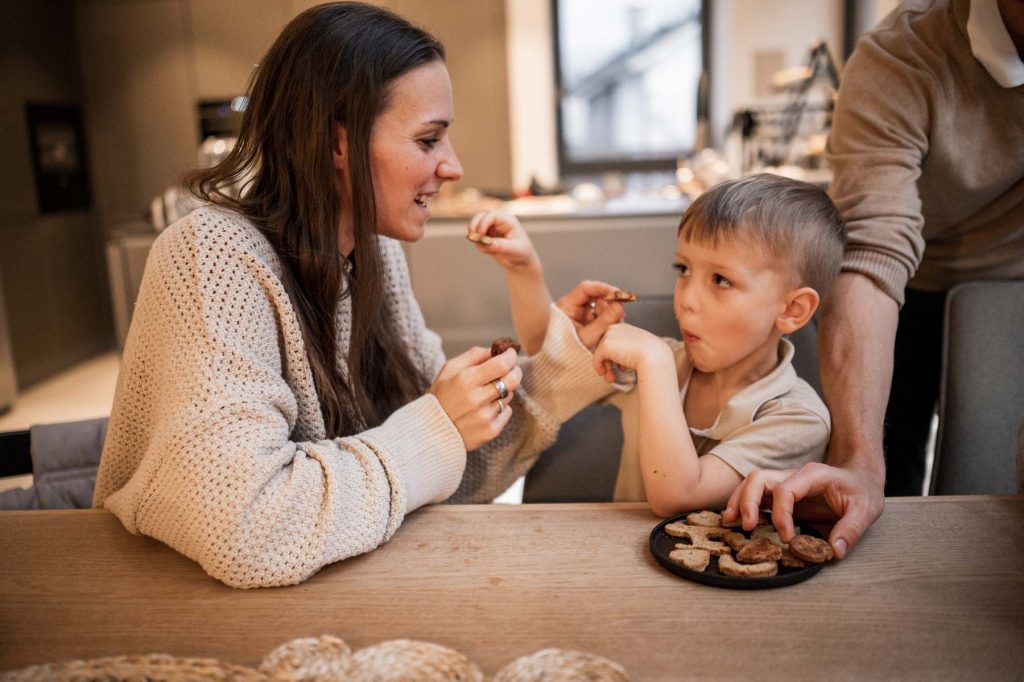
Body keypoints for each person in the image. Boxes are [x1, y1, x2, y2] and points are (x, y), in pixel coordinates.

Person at [91, 2, 623, 589]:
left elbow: (450, 471)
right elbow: (245, 529)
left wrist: (559, 364)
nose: (453, 166)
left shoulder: (375, 251)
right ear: (336, 144)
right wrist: (435, 427)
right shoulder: (211, 254)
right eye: (428, 140)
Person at [726, 0, 1024, 557]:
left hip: (1012, 295)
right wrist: (857, 462)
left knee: (988, 489)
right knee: (886, 475)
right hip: (907, 289)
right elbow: (870, 251)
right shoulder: (903, 57)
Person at [469, 173, 846, 515]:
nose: (686, 299)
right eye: (684, 270)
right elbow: (549, 357)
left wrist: (655, 363)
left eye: (721, 280)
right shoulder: (667, 360)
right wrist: (524, 270)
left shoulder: (798, 420)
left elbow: (679, 495)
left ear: (793, 310)